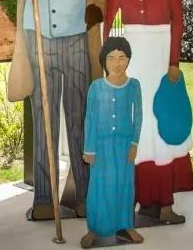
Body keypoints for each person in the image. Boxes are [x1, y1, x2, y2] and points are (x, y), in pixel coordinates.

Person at [0, 0, 111, 220]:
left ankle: (84, 196)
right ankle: (44, 200)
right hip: (37, 43)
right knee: (44, 122)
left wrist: (97, 7)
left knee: (79, 118)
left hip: (75, 42)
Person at [102, 0, 193, 224]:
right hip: (132, 50)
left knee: (162, 120)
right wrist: (109, 62)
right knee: (135, 121)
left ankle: (164, 204)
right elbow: (108, 17)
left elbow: (178, 18)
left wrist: (173, 61)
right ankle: (131, 201)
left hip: (160, 49)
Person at [80, 37, 144, 248]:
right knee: (99, 186)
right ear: (104, 61)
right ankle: (94, 228)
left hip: (125, 146)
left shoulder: (134, 86)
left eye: (122, 58)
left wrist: (134, 143)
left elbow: (139, 116)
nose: (117, 63)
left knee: (125, 186)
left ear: (128, 60)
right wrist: (89, 149)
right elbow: (89, 119)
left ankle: (126, 224)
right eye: (111, 58)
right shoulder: (96, 87)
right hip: (101, 147)